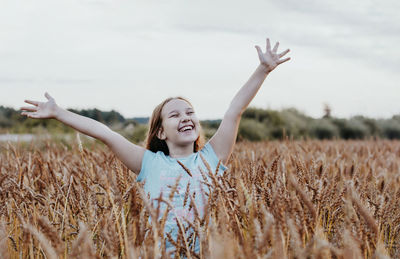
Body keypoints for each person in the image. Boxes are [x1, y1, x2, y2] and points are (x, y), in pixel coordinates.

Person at [21, 38, 290, 255]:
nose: (185, 117)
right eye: (174, 115)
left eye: (189, 112)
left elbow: (234, 110)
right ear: (161, 131)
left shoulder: (213, 156)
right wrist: (59, 112)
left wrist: (262, 70)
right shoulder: (148, 163)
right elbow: (105, 133)